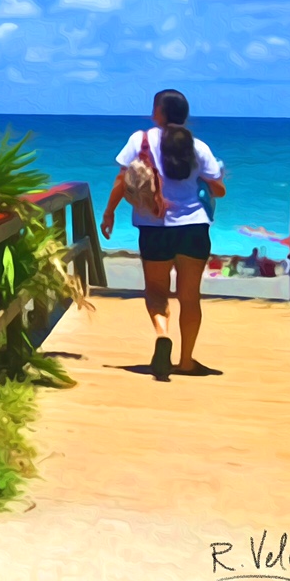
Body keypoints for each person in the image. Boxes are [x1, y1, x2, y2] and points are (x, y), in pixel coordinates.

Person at [101, 89, 225, 381]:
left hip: (153, 228)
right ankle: (185, 362)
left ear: (160, 112)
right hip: (194, 228)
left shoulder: (139, 140)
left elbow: (122, 179)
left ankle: (162, 335)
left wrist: (109, 213)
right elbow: (219, 189)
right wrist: (211, 180)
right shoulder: (199, 147)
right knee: (190, 297)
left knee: (156, 292)